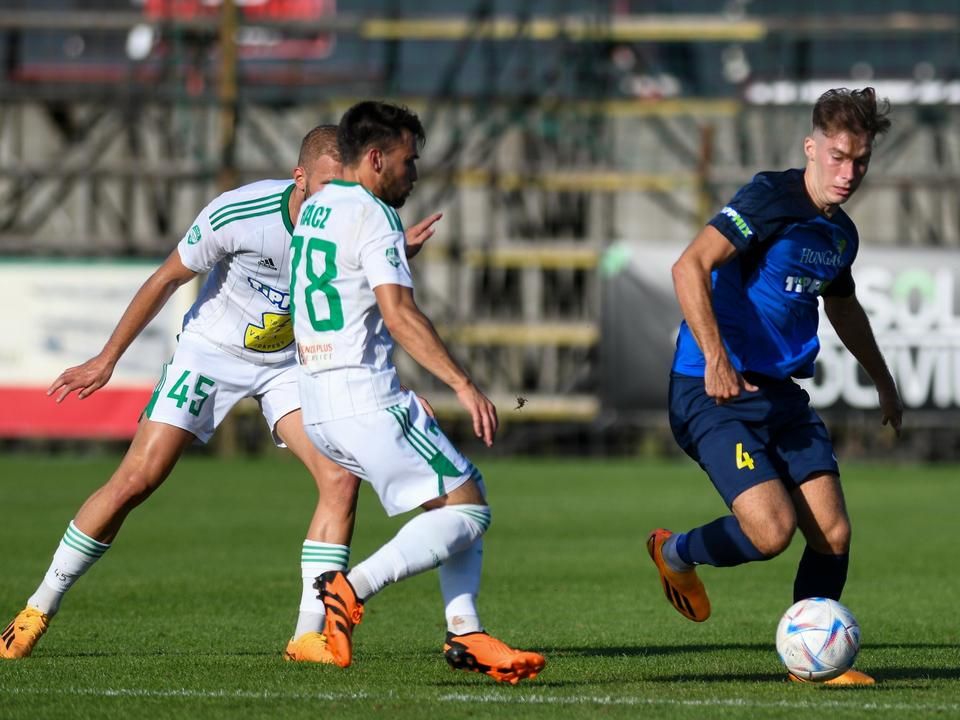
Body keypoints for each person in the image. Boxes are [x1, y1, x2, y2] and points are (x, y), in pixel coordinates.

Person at [0, 125, 440, 663]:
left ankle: (307, 635)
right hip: (211, 352)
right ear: (299, 177)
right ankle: (36, 610)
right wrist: (106, 358)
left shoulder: (361, 218)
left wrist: (394, 257)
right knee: (137, 479)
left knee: (339, 476)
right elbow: (165, 278)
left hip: (289, 365)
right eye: (325, 186)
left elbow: (371, 307)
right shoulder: (240, 213)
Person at [646, 87, 902, 686]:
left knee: (833, 533)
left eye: (860, 160)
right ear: (811, 148)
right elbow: (690, 265)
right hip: (714, 390)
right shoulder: (770, 198)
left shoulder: (841, 234)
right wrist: (714, 355)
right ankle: (673, 552)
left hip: (781, 394)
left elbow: (844, 307)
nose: (849, 172)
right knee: (771, 532)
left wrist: (883, 379)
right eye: (837, 157)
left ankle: (813, 662)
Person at [290, 100, 546, 684]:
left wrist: (392, 253)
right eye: (409, 160)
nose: (415, 172)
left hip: (320, 403)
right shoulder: (374, 215)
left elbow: (338, 283)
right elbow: (399, 314)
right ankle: (351, 590)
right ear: (376, 158)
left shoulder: (316, 207)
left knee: (459, 493)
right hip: (365, 396)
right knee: (471, 509)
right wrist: (462, 383)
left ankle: (467, 633)